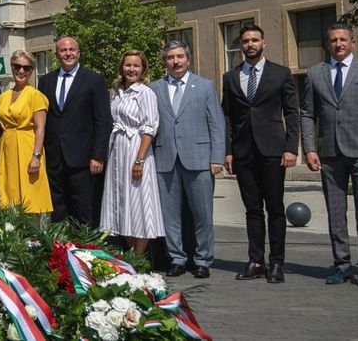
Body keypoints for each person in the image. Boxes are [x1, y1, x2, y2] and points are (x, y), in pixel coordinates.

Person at [301, 23, 358, 289]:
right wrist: (309, 148)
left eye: (343, 40)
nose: (338, 44)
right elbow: (307, 113)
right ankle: (341, 263)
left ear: (353, 42)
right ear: (327, 44)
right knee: (336, 212)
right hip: (329, 153)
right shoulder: (315, 73)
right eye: (333, 40)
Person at [220, 25, 300, 284]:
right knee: (252, 209)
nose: (250, 44)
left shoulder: (281, 74)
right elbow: (228, 117)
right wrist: (228, 151)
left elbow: (291, 112)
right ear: (241, 46)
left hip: (273, 151)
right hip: (244, 152)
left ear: (264, 43)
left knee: (275, 208)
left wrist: (291, 147)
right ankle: (256, 260)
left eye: (255, 40)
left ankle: (276, 262)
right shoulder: (230, 77)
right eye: (245, 41)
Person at [150, 40, 225, 279]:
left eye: (180, 56)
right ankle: (177, 258)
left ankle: (202, 259)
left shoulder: (204, 86)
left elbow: (216, 123)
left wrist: (217, 157)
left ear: (188, 59)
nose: (176, 61)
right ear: (165, 62)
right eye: (171, 57)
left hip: (200, 159)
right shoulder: (154, 89)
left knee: (202, 214)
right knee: (170, 215)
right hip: (165, 159)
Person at [39, 36, 113, 227]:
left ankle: (84, 252)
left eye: (72, 49)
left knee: (84, 209)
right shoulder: (46, 81)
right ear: (56, 54)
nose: (68, 53)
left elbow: (103, 120)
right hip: (55, 157)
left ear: (79, 53)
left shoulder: (94, 80)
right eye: (63, 50)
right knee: (58, 210)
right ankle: (60, 251)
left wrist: (98, 155)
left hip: (83, 159)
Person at [101, 50, 165, 255]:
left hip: (136, 148)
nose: (131, 69)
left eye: (136, 65)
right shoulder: (117, 92)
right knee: (120, 202)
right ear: (122, 67)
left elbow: (149, 128)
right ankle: (130, 254)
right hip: (118, 150)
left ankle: (140, 256)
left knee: (139, 203)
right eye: (128, 65)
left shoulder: (145, 93)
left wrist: (140, 159)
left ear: (143, 69)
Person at [0, 50, 52, 215]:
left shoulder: (36, 95)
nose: (21, 71)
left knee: (30, 197)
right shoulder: (3, 97)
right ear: (11, 68)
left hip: (28, 147)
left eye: (26, 68)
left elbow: (40, 127)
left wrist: (36, 156)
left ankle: (33, 238)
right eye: (17, 66)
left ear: (31, 71)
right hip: (7, 148)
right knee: (9, 197)